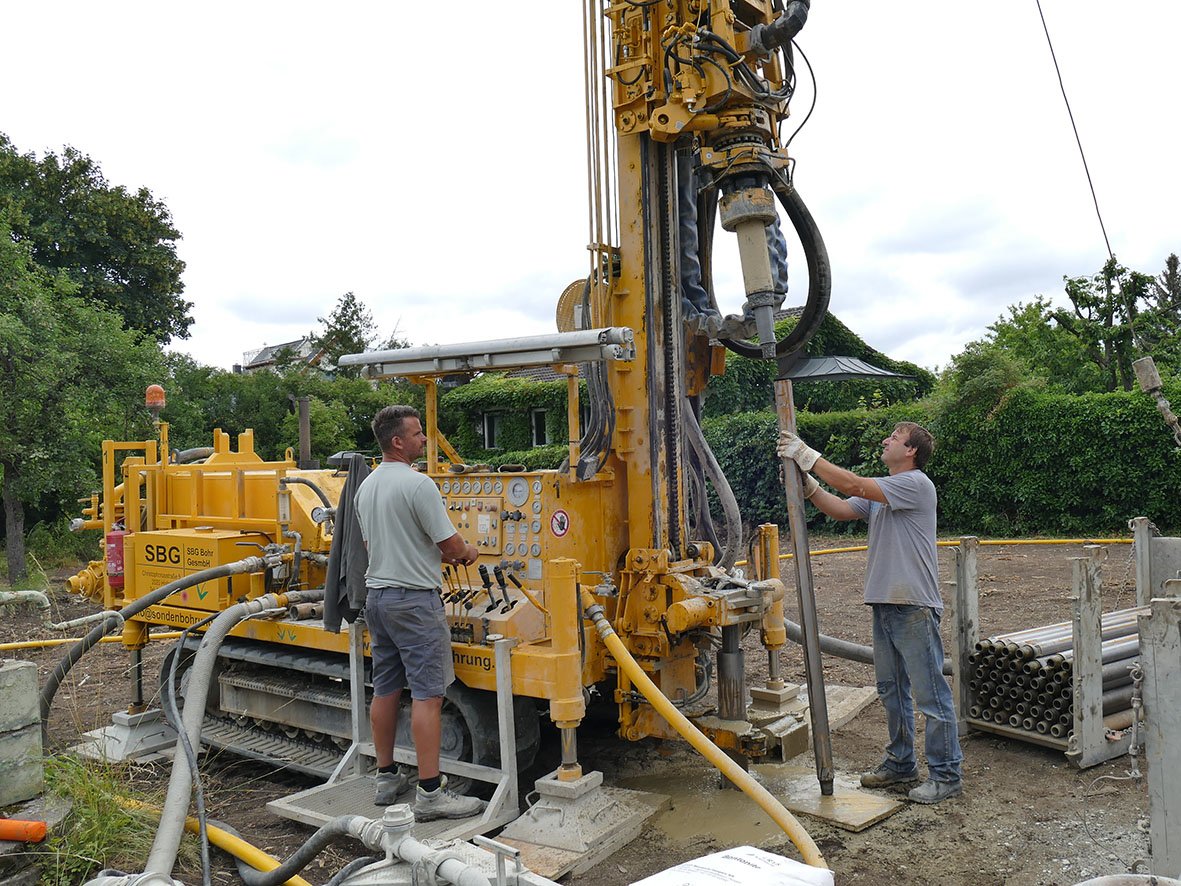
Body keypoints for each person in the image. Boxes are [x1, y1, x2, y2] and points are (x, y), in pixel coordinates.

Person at [777, 421, 964, 804]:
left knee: (930, 695)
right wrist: (809, 486)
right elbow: (843, 508)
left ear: (911, 451)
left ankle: (946, 777)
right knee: (891, 690)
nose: (886, 440)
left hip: (913, 605)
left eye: (894, 438)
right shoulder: (885, 491)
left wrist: (806, 455)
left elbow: (853, 486)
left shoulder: (915, 484)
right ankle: (900, 764)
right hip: (885, 604)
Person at [354, 404, 485, 820]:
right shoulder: (419, 485)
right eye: (417, 434)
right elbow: (449, 546)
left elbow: (377, 547)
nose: (424, 439)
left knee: (387, 688)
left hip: (378, 598)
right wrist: (469, 552)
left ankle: (386, 776)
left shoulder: (366, 487)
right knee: (429, 694)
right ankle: (430, 795)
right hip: (415, 601)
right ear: (397, 441)